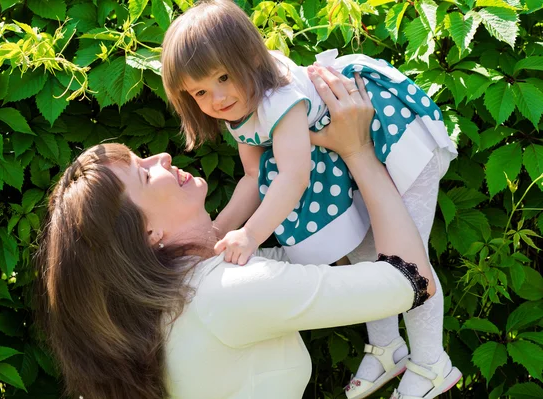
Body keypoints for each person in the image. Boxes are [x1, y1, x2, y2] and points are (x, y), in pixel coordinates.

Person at [37, 65, 443, 399]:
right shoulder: (226, 293)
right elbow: (412, 280)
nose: (161, 156)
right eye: (144, 173)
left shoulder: (174, 297)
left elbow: (303, 262)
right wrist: (357, 152)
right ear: (146, 233)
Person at [160, 1, 459, 398]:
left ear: (250, 57)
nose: (216, 97)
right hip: (344, 154)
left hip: (389, 133)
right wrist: (216, 233)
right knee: (368, 255)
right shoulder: (238, 108)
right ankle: (388, 348)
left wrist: (249, 236)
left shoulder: (277, 98)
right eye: (199, 91)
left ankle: (431, 362)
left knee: (408, 254)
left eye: (224, 76)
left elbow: (295, 175)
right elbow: (253, 177)